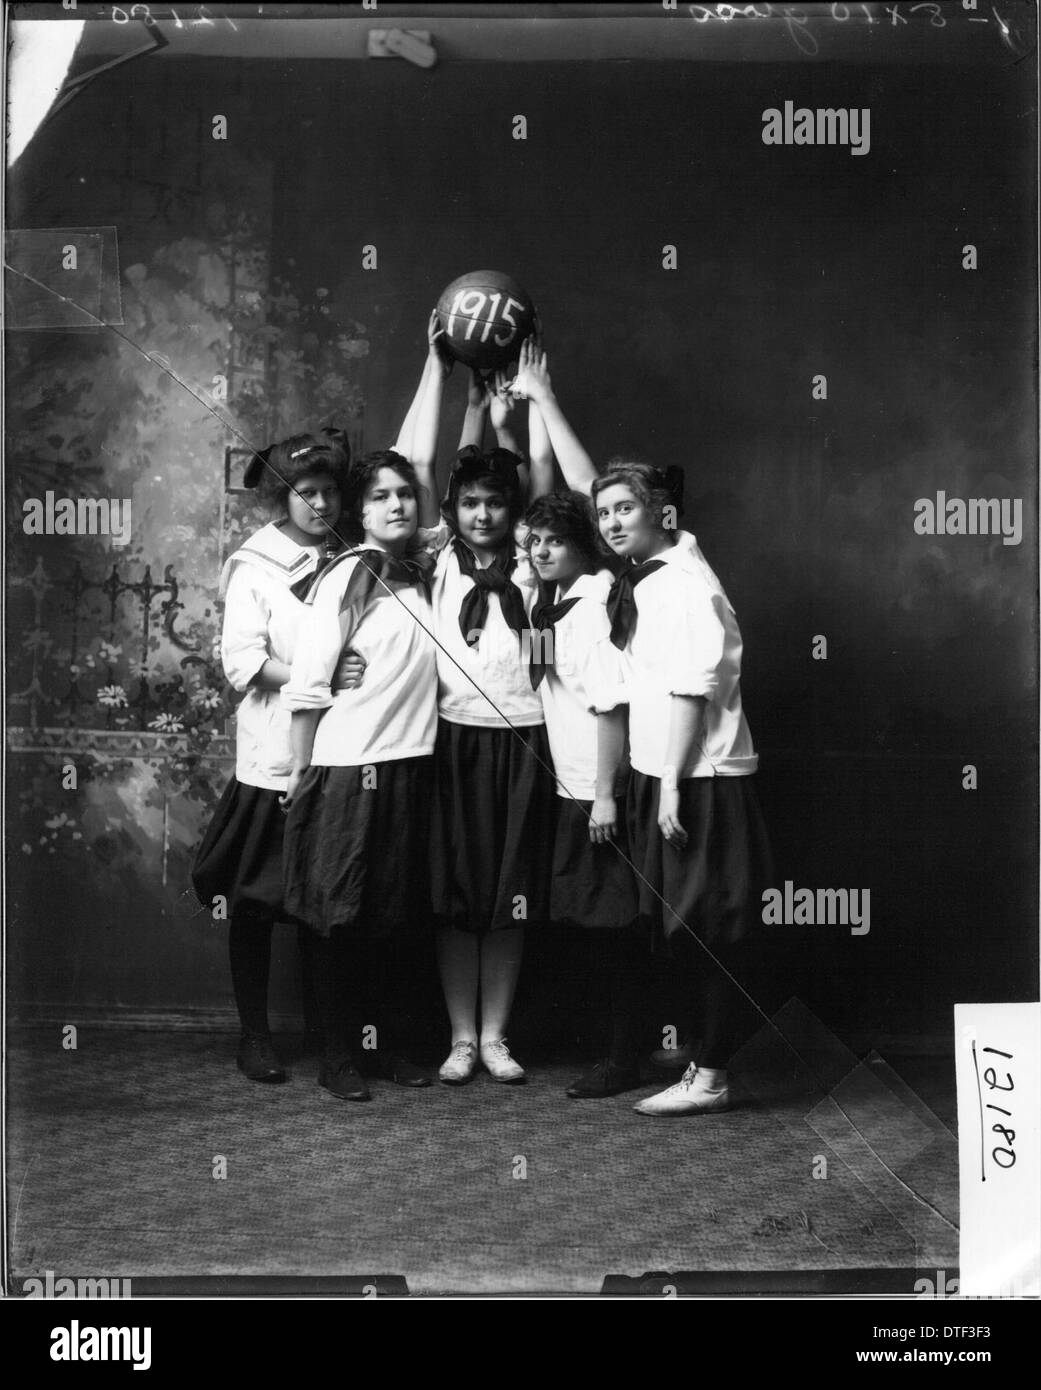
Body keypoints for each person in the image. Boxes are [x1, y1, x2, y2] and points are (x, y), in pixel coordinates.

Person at [278, 326, 448, 1102]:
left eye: (403, 496)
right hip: (346, 774)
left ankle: (385, 1050)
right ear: (358, 510)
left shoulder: (427, 566)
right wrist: (298, 774)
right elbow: (309, 686)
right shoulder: (345, 575)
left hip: (408, 769)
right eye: (378, 496)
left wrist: (439, 369)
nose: (395, 504)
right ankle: (338, 1057)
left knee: (393, 923)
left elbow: (420, 454)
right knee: (337, 924)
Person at [588, 461, 771, 1116]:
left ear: (662, 514)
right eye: (602, 511)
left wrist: (666, 786)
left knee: (710, 926)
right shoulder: (648, 579)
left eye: (624, 509)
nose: (610, 522)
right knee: (680, 925)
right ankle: (701, 1050)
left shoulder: (686, 585)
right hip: (661, 773)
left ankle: (712, 1073)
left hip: (698, 779)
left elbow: (694, 688)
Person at [191, 428, 350, 1083]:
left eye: (329, 492)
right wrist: (321, 675)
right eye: (306, 494)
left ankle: (337, 1041)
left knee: (331, 902)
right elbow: (242, 662)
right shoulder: (255, 566)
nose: (320, 505)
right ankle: (254, 1035)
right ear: (283, 500)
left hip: (342, 748)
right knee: (255, 904)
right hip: (275, 751)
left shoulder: (354, 556)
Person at [522, 489, 644, 1097]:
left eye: (555, 541)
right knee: (590, 923)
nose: (542, 551)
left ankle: (624, 1061)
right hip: (566, 782)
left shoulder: (591, 607)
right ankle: (612, 1050)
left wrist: (604, 796)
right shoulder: (553, 605)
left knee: (615, 926)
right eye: (535, 541)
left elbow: (612, 707)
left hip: (593, 790)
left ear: (582, 545)